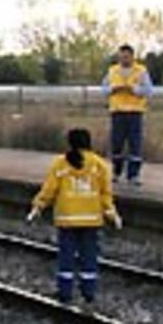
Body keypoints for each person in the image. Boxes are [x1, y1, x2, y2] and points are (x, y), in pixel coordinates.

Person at [27, 128, 122, 304]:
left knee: (66, 256)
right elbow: (105, 194)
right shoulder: (100, 165)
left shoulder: (60, 164)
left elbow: (49, 190)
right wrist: (112, 214)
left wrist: (38, 206)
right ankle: (89, 292)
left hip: (67, 219)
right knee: (89, 256)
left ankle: (65, 292)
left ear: (70, 143)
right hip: (91, 220)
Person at [101, 44, 153, 185]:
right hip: (117, 112)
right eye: (121, 56)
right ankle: (116, 172)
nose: (124, 59)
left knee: (135, 144)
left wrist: (134, 89)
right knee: (116, 143)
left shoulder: (141, 71)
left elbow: (149, 91)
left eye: (127, 56)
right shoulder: (112, 71)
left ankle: (133, 175)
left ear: (132, 56)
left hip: (135, 112)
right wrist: (113, 88)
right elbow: (104, 89)